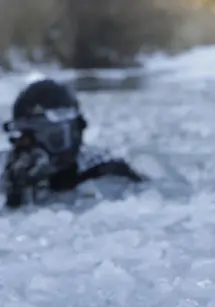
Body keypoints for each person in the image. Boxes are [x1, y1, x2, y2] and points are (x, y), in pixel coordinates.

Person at [1, 78, 145, 209]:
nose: (23, 145)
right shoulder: (10, 172)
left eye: (31, 135)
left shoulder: (106, 175)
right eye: (20, 136)